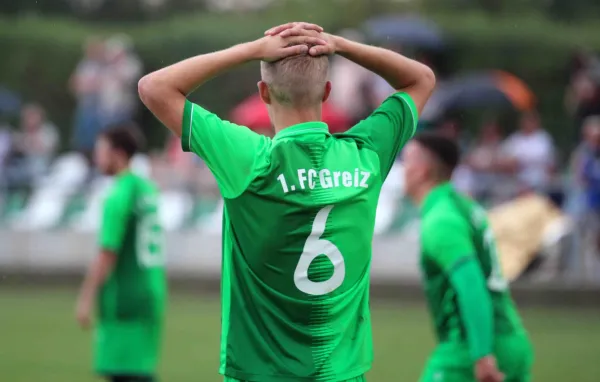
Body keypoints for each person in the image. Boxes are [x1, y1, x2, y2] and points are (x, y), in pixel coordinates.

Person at [139, 21, 435, 381]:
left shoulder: (250, 161)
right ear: (327, 91)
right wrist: (340, 45)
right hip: (339, 373)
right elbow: (421, 79)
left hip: (260, 373)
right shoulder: (364, 155)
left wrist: (250, 49)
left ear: (263, 93)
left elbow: (154, 87)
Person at [402, 133, 533, 382]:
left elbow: (471, 285)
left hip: (470, 349)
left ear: (422, 170)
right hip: (511, 340)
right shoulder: (463, 206)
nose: (401, 169)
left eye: (406, 160)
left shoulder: (440, 220)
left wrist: (482, 355)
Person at [75, 124, 166, 382]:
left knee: (126, 374)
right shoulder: (147, 189)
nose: (97, 156)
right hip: (151, 289)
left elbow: (107, 252)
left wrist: (86, 297)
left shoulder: (118, 195)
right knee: (140, 368)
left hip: (124, 294)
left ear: (118, 153)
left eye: (101, 150)